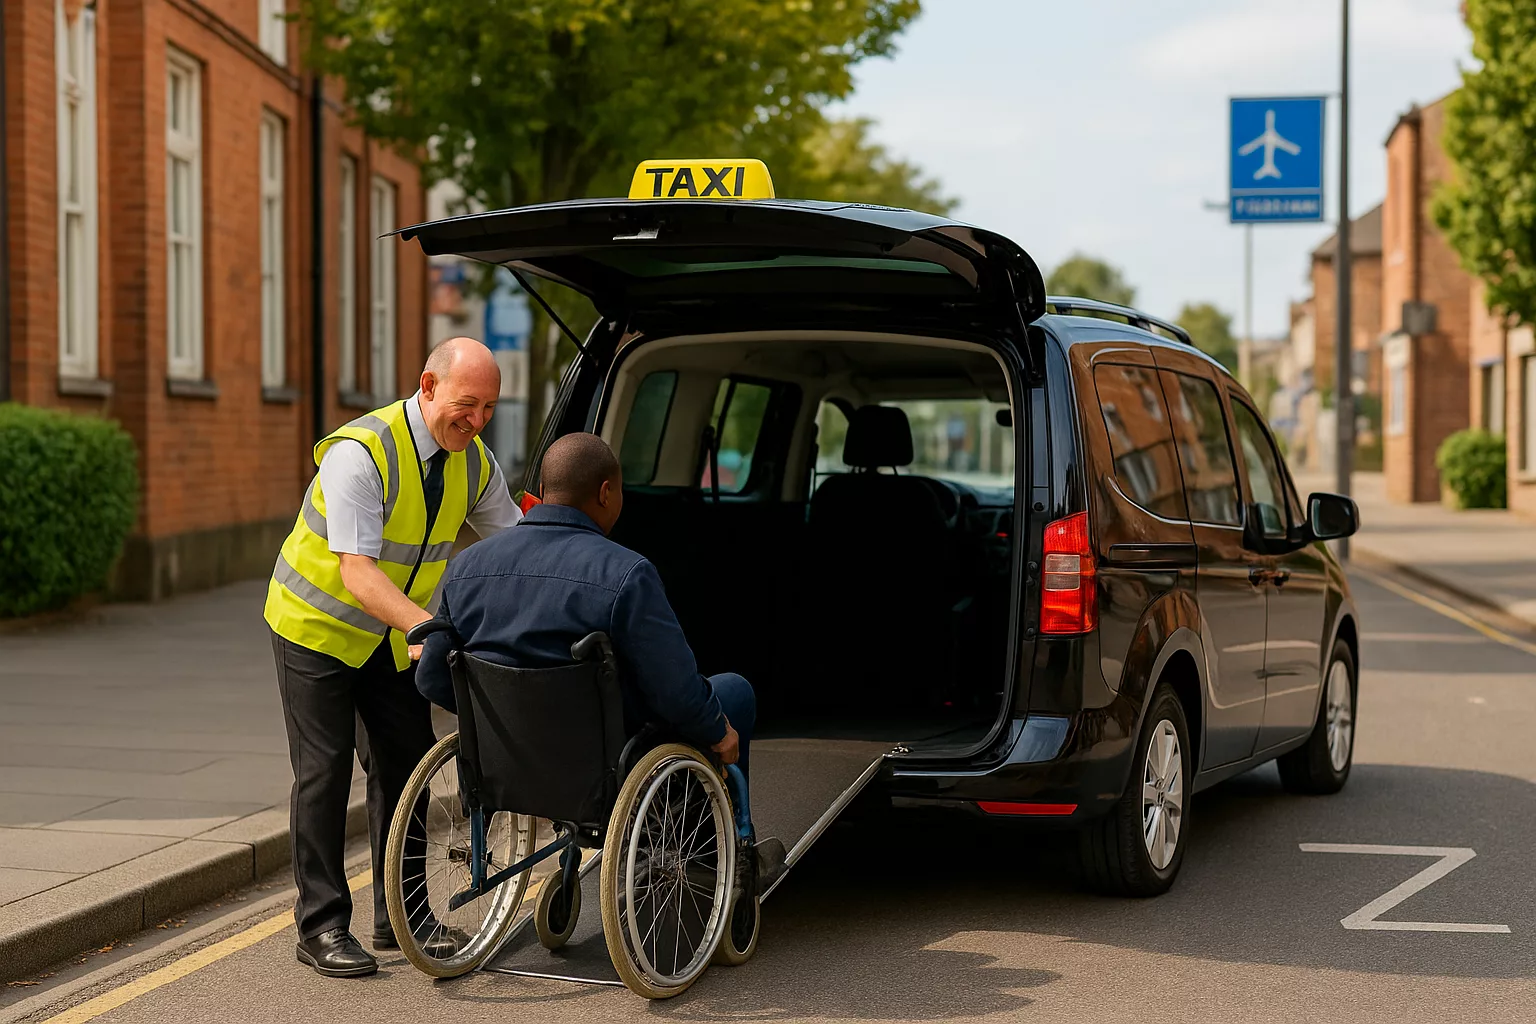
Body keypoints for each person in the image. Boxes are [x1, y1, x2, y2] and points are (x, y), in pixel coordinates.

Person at [264, 338, 522, 978]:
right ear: (427, 385)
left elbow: (513, 542)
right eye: (468, 404)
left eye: (490, 407)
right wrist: (433, 627)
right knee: (323, 771)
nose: (478, 420)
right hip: (315, 628)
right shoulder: (361, 453)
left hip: (389, 638)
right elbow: (356, 571)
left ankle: (400, 919)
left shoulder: (474, 463)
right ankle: (320, 926)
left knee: (403, 768)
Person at [416, 431, 755, 776]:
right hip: (601, 762)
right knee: (735, 692)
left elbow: (431, 679)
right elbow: (676, 693)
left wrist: (500, 721)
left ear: (544, 491)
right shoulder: (627, 574)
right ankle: (719, 829)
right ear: (606, 493)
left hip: (502, 762)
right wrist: (717, 729)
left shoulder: (466, 567)